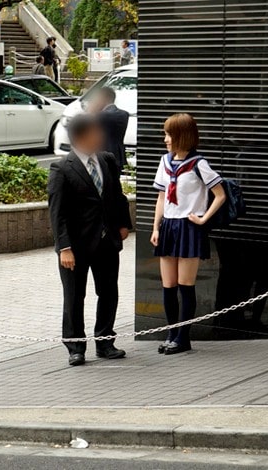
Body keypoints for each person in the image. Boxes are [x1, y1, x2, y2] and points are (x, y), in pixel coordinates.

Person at [48, 114, 133, 367]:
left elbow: (117, 196)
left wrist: (122, 224)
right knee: (74, 296)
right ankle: (75, 347)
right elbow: (57, 212)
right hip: (76, 246)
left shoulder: (106, 160)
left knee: (108, 292)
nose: (100, 136)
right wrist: (64, 247)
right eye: (95, 132)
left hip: (107, 242)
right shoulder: (62, 168)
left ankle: (105, 342)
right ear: (82, 136)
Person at [150, 113, 226, 355]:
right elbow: (161, 196)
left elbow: (220, 194)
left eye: (169, 134)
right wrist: (155, 227)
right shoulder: (165, 161)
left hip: (189, 227)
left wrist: (203, 218)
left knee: (185, 285)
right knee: (168, 285)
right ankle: (172, 334)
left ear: (182, 136)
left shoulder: (199, 164)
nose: (166, 139)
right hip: (169, 226)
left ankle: (183, 338)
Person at [89, 87, 130, 169]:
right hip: (118, 156)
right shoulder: (124, 114)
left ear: (103, 98)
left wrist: (92, 112)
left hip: (102, 157)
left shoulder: (101, 116)